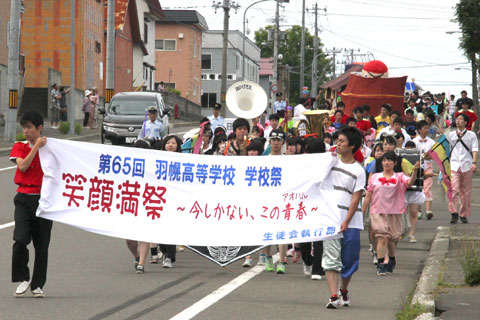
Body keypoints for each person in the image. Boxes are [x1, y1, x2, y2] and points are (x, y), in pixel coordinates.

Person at [322, 126, 365, 309]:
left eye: (341, 141)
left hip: (352, 222)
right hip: (331, 220)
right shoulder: (330, 163)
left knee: (349, 260)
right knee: (331, 259)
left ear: (352, 146)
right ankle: (333, 296)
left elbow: (356, 198)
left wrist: (346, 221)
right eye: (337, 140)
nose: (337, 144)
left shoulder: (359, 170)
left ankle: (344, 290)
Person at [9, 111, 51, 298]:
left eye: (29, 128)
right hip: (24, 198)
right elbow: (23, 166)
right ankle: (23, 277)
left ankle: (37, 285)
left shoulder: (51, 148)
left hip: (44, 200)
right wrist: (36, 147)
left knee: (41, 246)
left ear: (39, 128)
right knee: (20, 239)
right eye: (24, 128)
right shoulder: (20, 147)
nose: (26, 131)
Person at [363, 151, 420, 276]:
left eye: (389, 160)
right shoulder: (375, 177)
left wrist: (415, 171)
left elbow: (410, 182)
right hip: (377, 212)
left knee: (391, 240)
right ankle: (381, 264)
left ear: (394, 163)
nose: (386, 163)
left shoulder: (399, 176)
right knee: (382, 237)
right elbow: (368, 195)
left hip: (394, 212)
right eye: (384, 160)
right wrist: (362, 211)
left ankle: (392, 259)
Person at [300, 138, 326, 280]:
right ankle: (307, 260)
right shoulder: (303, 163)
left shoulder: (327, 164)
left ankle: (317, 268)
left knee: (318, 238)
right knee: (304, 237)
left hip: (321, 204)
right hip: (304, 204)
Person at [263, 128, 289, 274]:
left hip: (283, 200)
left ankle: (281, 261)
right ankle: (268, 257)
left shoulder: (288, 160)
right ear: (270, 141)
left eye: (279, 140)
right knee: (266, 231)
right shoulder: (264, 160)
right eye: (273, 140)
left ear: (283, 142)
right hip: (267, 200)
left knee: (282, 232)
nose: (276, 143)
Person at [157, 135, 184, 267]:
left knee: (171, 228)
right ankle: (163, 250)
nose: (170, 145)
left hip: (175, 199)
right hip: (160, 198)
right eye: (168, 143)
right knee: (160, 229)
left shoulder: (183, 161)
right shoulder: (157, 160)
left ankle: (169, 257)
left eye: (173, 143)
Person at [447, 113, 478, 224]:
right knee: (454, 189)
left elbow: (474, 148)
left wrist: (474, 162)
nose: (458, 121)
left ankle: (463, 214)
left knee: (466, 191)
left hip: (467, 164)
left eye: (460, 119)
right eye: (457, 119)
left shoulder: (471, 135)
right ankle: (454, 212)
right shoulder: (451, 135)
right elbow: (447, 150)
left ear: (465, 122)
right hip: (454, 164)